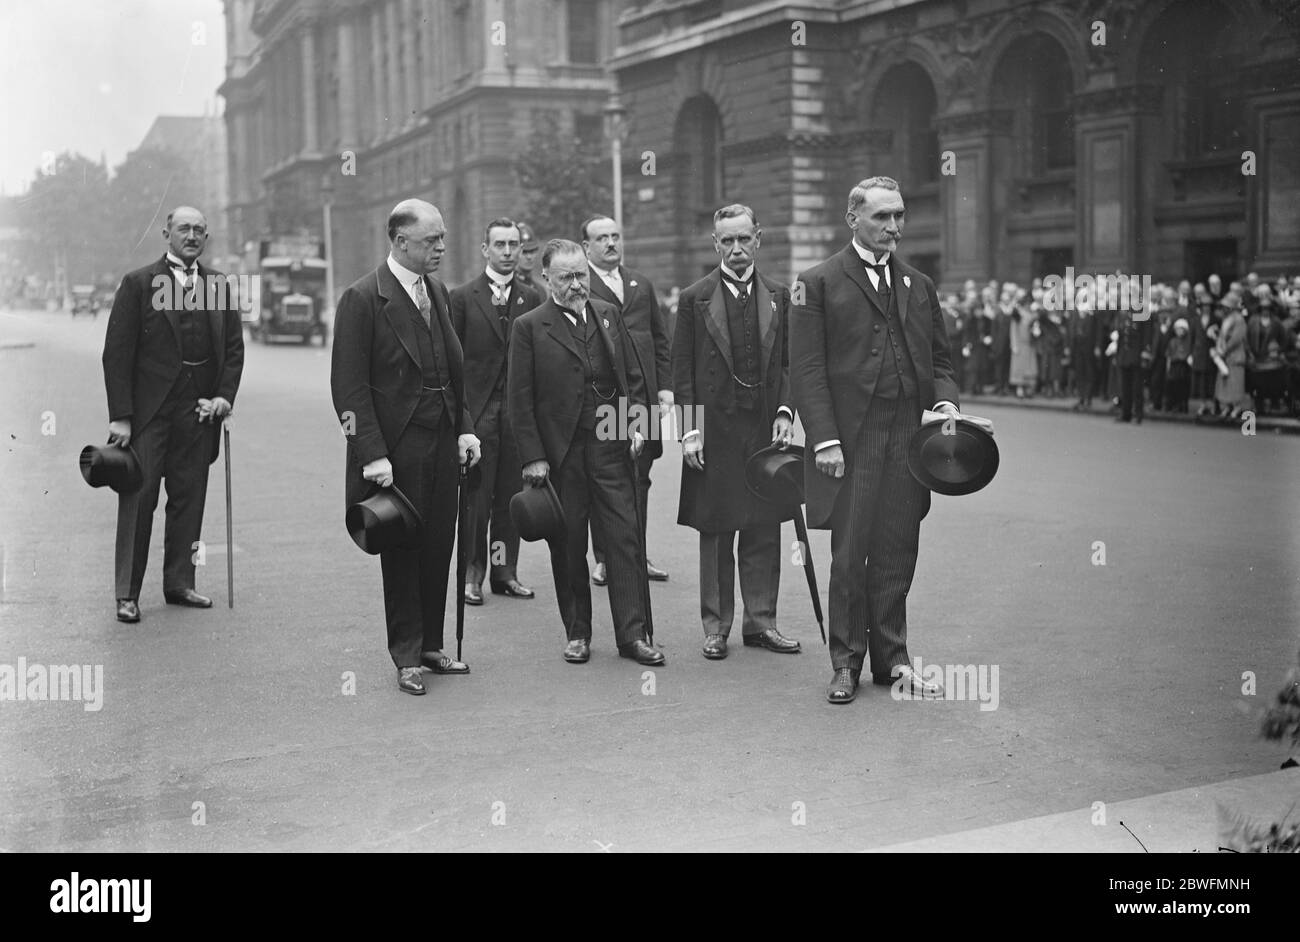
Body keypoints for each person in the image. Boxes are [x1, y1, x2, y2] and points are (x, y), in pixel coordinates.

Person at [790, 176, 963, 705]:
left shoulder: (918, 284)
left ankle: (894, 661)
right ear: (853, 220)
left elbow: (940, 361)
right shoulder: (816, 282)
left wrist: (947, 405)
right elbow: (808, 368)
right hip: (852, 439)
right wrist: (824, 440)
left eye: (899, 216)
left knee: (896, 549)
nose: (894, 227)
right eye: (882, 217)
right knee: (850, 553)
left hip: (909, 437)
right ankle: (845, 663)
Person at [330, 199, 481, 696]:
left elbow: (453, 373)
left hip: (441, 441)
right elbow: (349, 389)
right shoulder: (362, 298)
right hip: (395, 451)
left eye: (441, 238)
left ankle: (433, 644)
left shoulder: (436, 291)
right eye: (431, 240)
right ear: (399, 242)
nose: (441, 247)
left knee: (439, 542)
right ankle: (406, 655)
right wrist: (371, 453)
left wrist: (464, 428)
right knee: (401, 550)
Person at [507, 239, 662, 667]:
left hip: (611, 447)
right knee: (569, 544)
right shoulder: (529, 327)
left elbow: (632, 377)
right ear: (547, 279)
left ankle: (634, 635)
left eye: (582, 276)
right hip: (562, 454)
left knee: (625, 540)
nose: (577, 285)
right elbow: (518, 399)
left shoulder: (608, 315)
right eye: (566, 278)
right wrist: (533, 458)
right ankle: (578, 633)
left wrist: (637, 426)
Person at [101, 206, 244, 624]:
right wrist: (121, 417)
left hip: (198, 414)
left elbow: (233, 350)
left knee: (189, 499)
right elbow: (117, 353)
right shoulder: (138, 283)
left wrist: (222, 397)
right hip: (149, 415)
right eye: (184, 228)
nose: (192, 235)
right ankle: (126, 593)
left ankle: (180, 583)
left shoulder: (217, 284)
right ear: (167, 233)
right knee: (139, 500)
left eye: (200, 229)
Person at [672, 204, 801, 661]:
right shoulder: (694, 298)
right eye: (727, 241)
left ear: (758, 239)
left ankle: (761, 622)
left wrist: (786, 410)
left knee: (764, 527)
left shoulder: (780, 296)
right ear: (715, 244)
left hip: (764, 429)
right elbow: (682, 371)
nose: (736, 249)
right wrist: (689, 431)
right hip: (716, 431)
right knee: (717, 528)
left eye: (744, 239)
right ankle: (716, 626)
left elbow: (789, 363)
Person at [449, 218, 542, 605]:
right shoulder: (462, 298)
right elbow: (452, 365)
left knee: (510, 497)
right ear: (485, 249)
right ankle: (473, 575)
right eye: (500, 245)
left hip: (517, 414)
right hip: (479, 413)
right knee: (475, 499)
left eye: (514, 245)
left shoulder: (532, 298)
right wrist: (462, 419)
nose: (507, 252)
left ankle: (504, 574)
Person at [581, 214, 671, 585]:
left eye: (616, 236)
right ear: (587, 247)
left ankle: (637, 554)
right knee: (607, 477)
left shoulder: (640, 283)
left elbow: (660, 339)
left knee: (641, 477)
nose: (611, 244)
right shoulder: (581, 285)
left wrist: (664, 388)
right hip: (608, 399)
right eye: (601, 238)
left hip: (644, 398)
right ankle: (604, 558)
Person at [1215, 292, 1250, 423]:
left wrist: (1224, 349)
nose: (1224, 308)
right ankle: (1228, 406)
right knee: (1226, 382)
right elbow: (1222, 336)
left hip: (1235, 356)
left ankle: (1237, 406)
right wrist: (1219, 348)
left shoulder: (1239, 319)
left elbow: (1237, 338)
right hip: (1225, 356)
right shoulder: (1226, 318)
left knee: (1235, 382)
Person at [514, 222, 548, 295]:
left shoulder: (540, 291)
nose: (529, 257)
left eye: (532, 251)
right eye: (524, 252)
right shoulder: (507, 289)